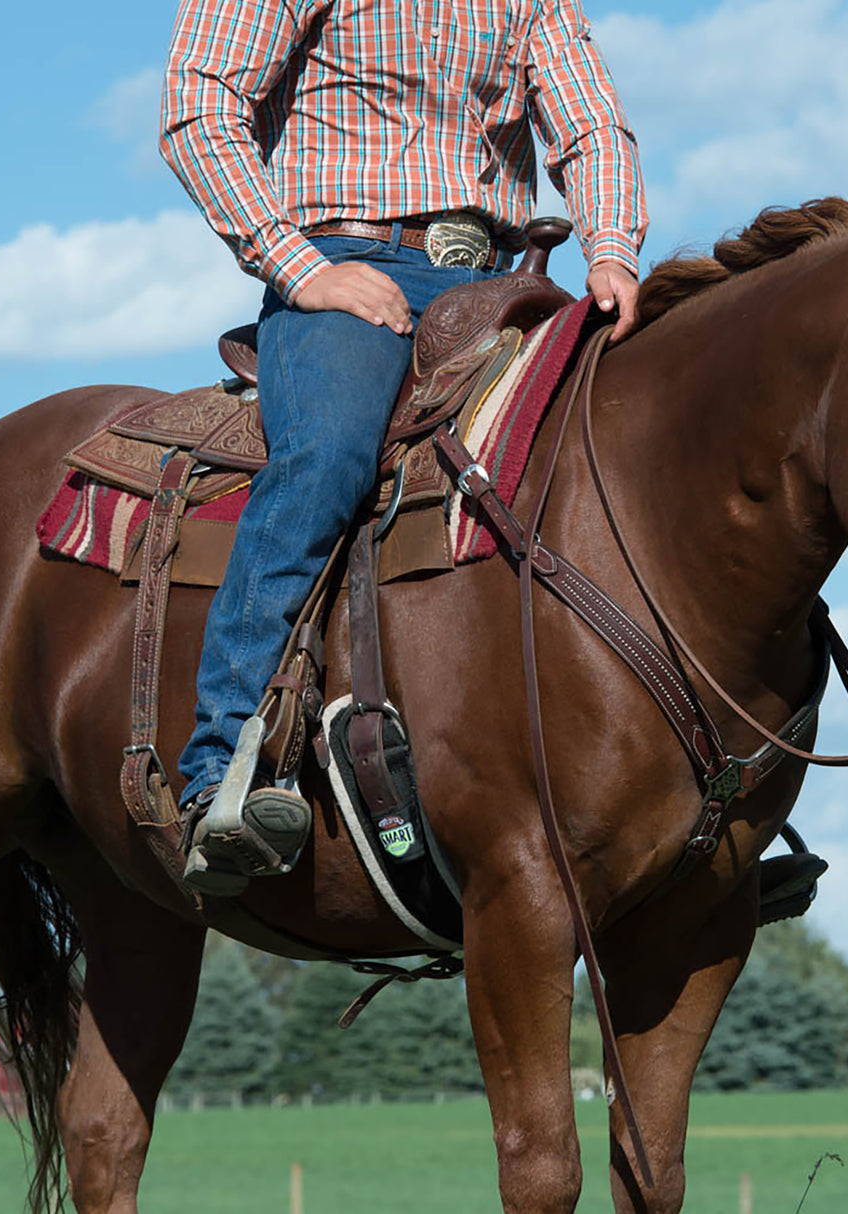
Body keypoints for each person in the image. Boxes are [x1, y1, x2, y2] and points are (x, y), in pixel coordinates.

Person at [160, 0, 647, 894]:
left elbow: (589, 122)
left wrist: (611, 250)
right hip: (348, 265)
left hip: (499, 283)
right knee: (329, 459)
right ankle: (221, 772)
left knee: (625, 450)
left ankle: (706, 794)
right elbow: (198, 104)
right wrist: (303, 270)